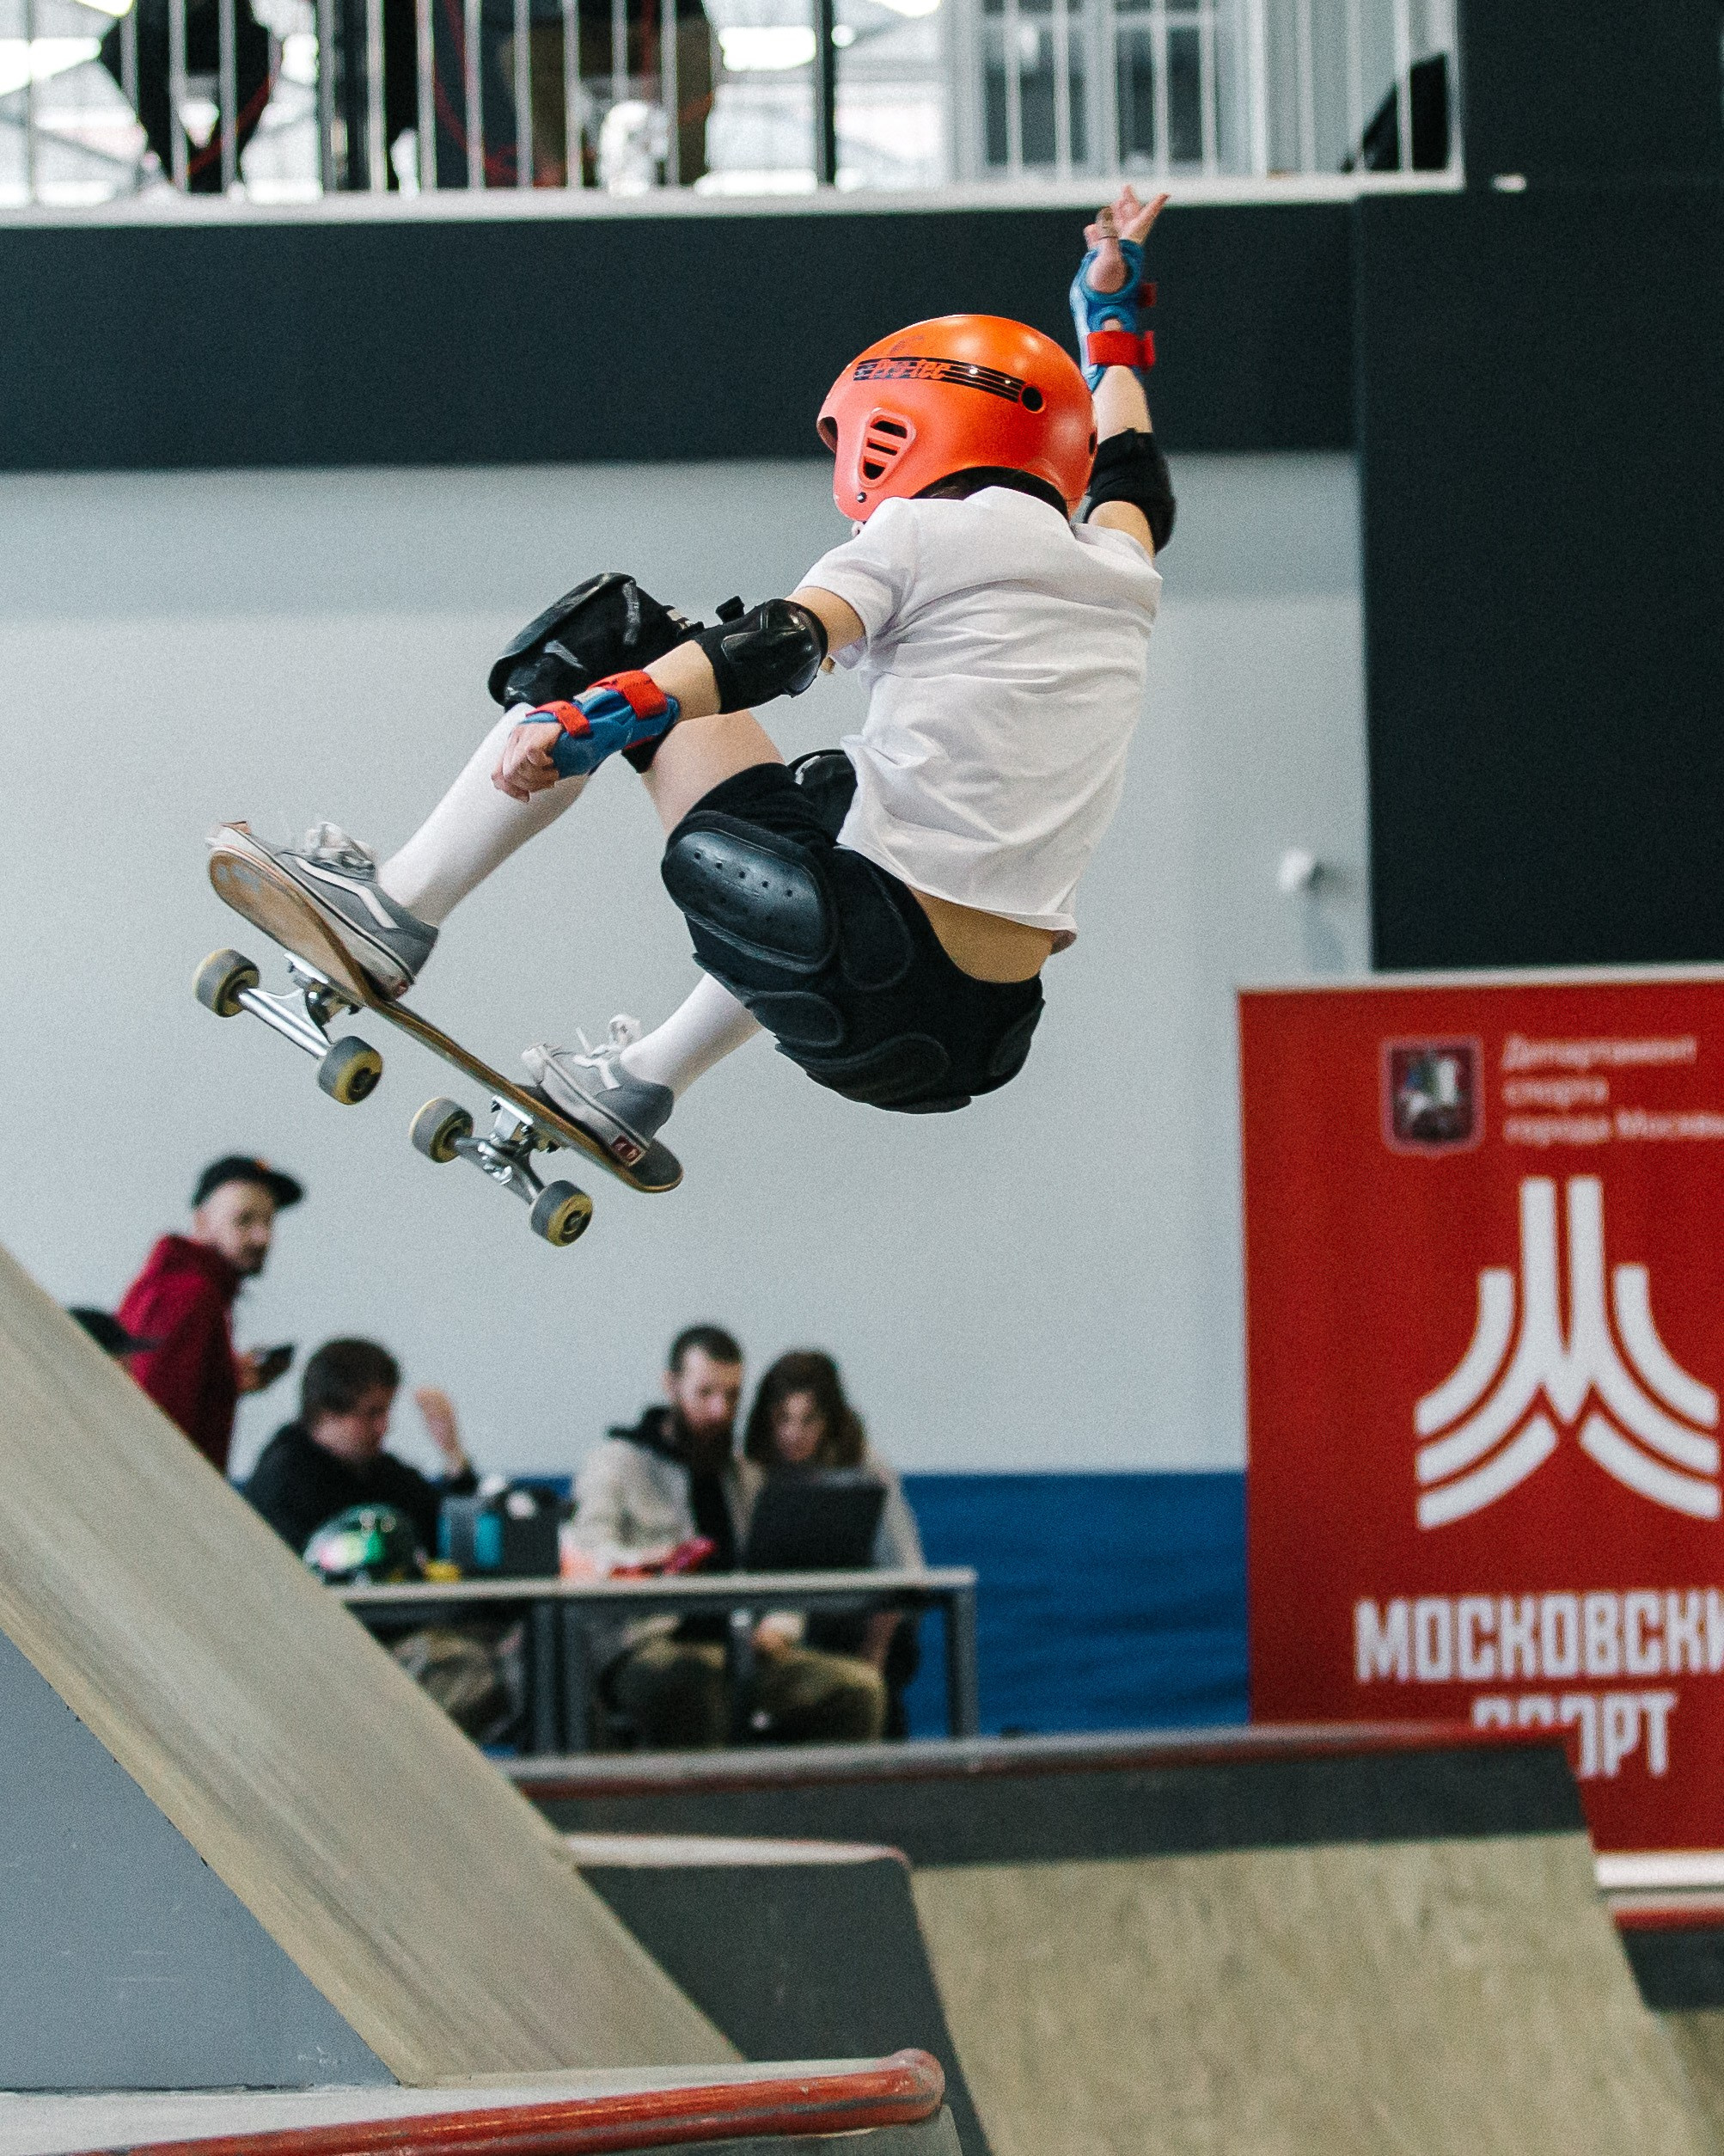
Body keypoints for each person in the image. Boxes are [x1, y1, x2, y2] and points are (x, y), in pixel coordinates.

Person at [209, 187, 1171, 1175]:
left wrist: (599, 713)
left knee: (621, 635)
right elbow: (1135, 475)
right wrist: (1111, 320)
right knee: (840, 797)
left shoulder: (920, 532)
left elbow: (779, 644)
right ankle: (639, 1080)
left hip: (856, 960)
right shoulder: (1117, 565)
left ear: (903, 423)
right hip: (975, 1033)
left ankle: (391, 912)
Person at [571, 1326, 885, 1747]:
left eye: (733, 1396)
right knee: (691, 1680)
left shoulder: (748, 1479)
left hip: (742, 1651)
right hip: (646, 1648)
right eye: (705, 1394)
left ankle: (818, 1813)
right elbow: (588, 1561)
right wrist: (665, 1562)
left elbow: (780, 1569)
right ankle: (701, 1814)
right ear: (672, 1386)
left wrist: (780, 1626)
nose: (721, 1410)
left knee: (856, 1689)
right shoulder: (614, 1465)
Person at [741, 1350, 924, 1734]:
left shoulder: (864, 1469)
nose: (794, 1434)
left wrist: (873, 1655)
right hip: (772, 1625)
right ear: (766, 1416)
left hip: (860, 1625)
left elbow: (905, 1572)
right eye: (783, 1418)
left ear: (830, 1420)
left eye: (809, 1420)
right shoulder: (748, 1471)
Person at [117, 1155, 302, 1473]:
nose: (263, 1238)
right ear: (202, 1222)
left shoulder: (186, 1288)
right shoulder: (189, 1296)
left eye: (268, 1221)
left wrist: (228, 1379)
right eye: (244, 1220)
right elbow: (156, 1425)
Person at [245, 1338, 478, 1557]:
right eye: (372, 1413)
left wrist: (452, 1454)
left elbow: (442, 1528)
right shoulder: (282, 1483)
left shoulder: (375, 1469)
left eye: (386, 1411)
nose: (384, 1427)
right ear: (328, 1414)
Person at [101, 0, 277, 193]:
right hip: (157, 28)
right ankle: (195, 170)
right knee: (119, 46)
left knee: (265, 48)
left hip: (222, 29)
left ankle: (204, 170)